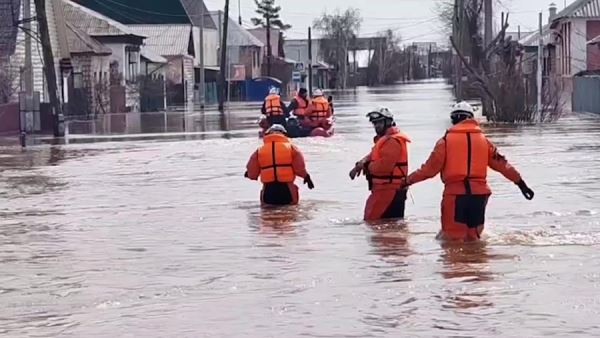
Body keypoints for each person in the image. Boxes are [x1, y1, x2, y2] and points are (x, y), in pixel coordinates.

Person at [401, 101, 535, 242]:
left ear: (453, 120)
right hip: (479, 196)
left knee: (452, 242)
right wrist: (521, 184)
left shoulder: (445, 142)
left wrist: (407, 181)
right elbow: (504, 165)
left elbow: (428, 170)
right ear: (471, 118)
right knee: (474, 240)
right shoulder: (485, 141)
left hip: (455, 196)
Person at [349, 107, 411, 221]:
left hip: (389, 190)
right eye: (375, 123)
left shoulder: (393, 141)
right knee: (384, 227)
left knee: (375, 223)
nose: (376, 126)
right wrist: (361, 164)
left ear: (388, 122)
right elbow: (373, 155)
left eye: (379, 122)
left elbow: (385, 166)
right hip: (385, 190)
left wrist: (367, 167)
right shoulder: (385, 140)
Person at [245, 124, 315, 206]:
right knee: (290, 213)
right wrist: (306, 177)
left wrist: (248, 174)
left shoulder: (259, 151)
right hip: (287, 190)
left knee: (267, 214)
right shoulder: (292, 148)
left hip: (268, 191)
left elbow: (252, 174)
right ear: (284, 134)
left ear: (268, 134)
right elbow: (299, 169)